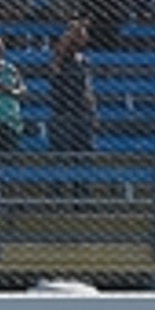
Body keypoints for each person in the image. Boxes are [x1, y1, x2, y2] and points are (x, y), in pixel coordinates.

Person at [48, 19, 97, 199]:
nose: (82, 38)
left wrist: (92, 110)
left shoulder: (84, 60)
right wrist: (72, 31)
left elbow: (88, 88)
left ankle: (82, 195)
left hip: (82, 112)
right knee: (61, 156)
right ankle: (58, 195)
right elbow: (57, 59)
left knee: (84, 156)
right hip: (63, 112)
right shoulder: (59, 58)